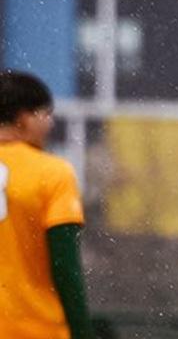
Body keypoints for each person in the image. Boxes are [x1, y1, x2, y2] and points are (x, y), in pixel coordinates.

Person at [0, 71, 92, 339]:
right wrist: (82, 331)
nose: (50, 123)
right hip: (36, 328)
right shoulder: (52, 173)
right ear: (23, 118)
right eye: (45, 114)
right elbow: (65, 267)